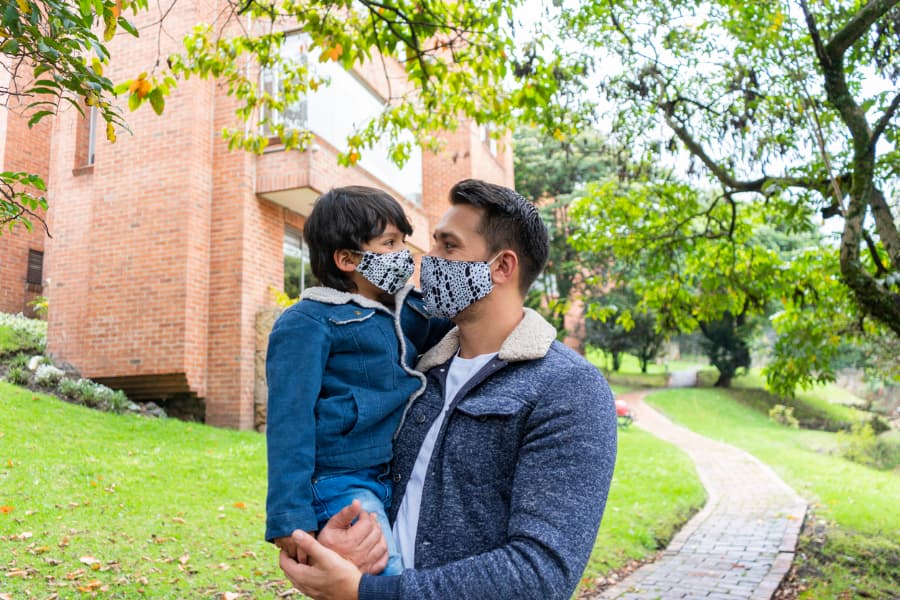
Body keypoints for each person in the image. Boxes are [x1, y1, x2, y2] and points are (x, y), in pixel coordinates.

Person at [278, 179, 618, 600]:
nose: (425, 260)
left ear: (501, 267)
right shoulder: (412, 364)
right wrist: (324, 540)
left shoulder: (569, 389)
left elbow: (540, 574)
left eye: (448, 247)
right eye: (432, 243)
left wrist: (367, 592)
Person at [265, 186, 450, 576]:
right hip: (339, 480)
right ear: (347, 259)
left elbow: (461, 331)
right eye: (390, 243)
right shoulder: (307, 322)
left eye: (404, 241)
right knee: (386, 574)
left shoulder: (409, 309)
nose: (405, 254)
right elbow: (289, 422)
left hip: (392, 472)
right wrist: (289, 517)